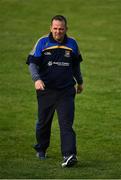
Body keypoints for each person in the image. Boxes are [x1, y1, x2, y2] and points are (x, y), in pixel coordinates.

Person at [26, 15, 83, 167]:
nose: (58, 32)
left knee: (66, 124)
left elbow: (76, 65)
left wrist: (80, 82)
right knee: (44, 123)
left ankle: (69, 155)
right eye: (55, 28)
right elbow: (32, 63)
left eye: (61, 29)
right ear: (51, 28)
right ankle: (41, 148)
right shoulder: (42, 42)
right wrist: (36, 79)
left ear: (66, 29)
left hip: (66, 91)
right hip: (46, 90)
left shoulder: (72, 44)